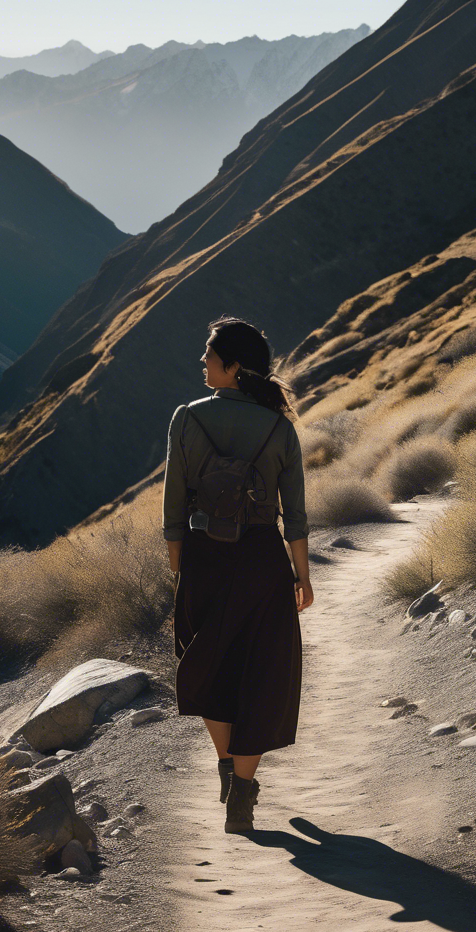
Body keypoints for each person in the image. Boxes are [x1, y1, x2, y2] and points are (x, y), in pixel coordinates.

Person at [162, 315, 314, 834]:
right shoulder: (280, 427)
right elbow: (293, 514)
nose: (202, 362)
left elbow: (173, 504)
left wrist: (181, 561)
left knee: (205, 663)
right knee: (264, 672)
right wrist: (302, 576)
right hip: (261, 560)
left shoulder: (186, 418)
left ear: (232, 366)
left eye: (209, 355)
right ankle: (243, 793)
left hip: (205, 555)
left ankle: (226, 761)